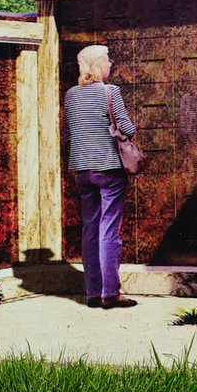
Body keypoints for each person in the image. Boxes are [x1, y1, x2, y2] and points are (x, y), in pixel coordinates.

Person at [62, 44, 137, 309]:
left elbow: (71, 131)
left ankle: (93, 293)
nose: (110, 63)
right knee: (109, 230)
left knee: (90, 230)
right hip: (108, 168)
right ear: (96, 65)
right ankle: (110, 293)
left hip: (82, 169)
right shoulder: (110, 91)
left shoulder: (71, 95)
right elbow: (128, 128)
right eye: (106, 60)